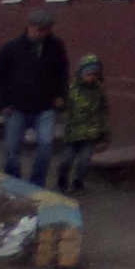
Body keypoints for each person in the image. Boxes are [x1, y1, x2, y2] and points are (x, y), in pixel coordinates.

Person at [0, 8, 69, 186]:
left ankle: (36, 184)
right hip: (16, 106)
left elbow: (62, 73)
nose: (43, 34)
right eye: (39, 30)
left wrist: (61, 95)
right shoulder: (11, 47)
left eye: (47, 30)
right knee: (12, 148)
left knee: (46, 145)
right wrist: (1, 103)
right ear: (29, 27)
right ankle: (13, 183)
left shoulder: (56, 47)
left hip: (45, 107)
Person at [54, 55, 110, 194]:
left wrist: (104, 136)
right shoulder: (71, 90)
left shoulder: (98, 92)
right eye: (88, 74)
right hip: (73, 133)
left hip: (91, 134)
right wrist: (60, 106)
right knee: (66, 160)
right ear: (81, 74)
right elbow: (64, 107)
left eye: (94, 74)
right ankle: (62, 181)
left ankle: (78, 183)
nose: (91, 77)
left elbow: (103, 113)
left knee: (84, 161)